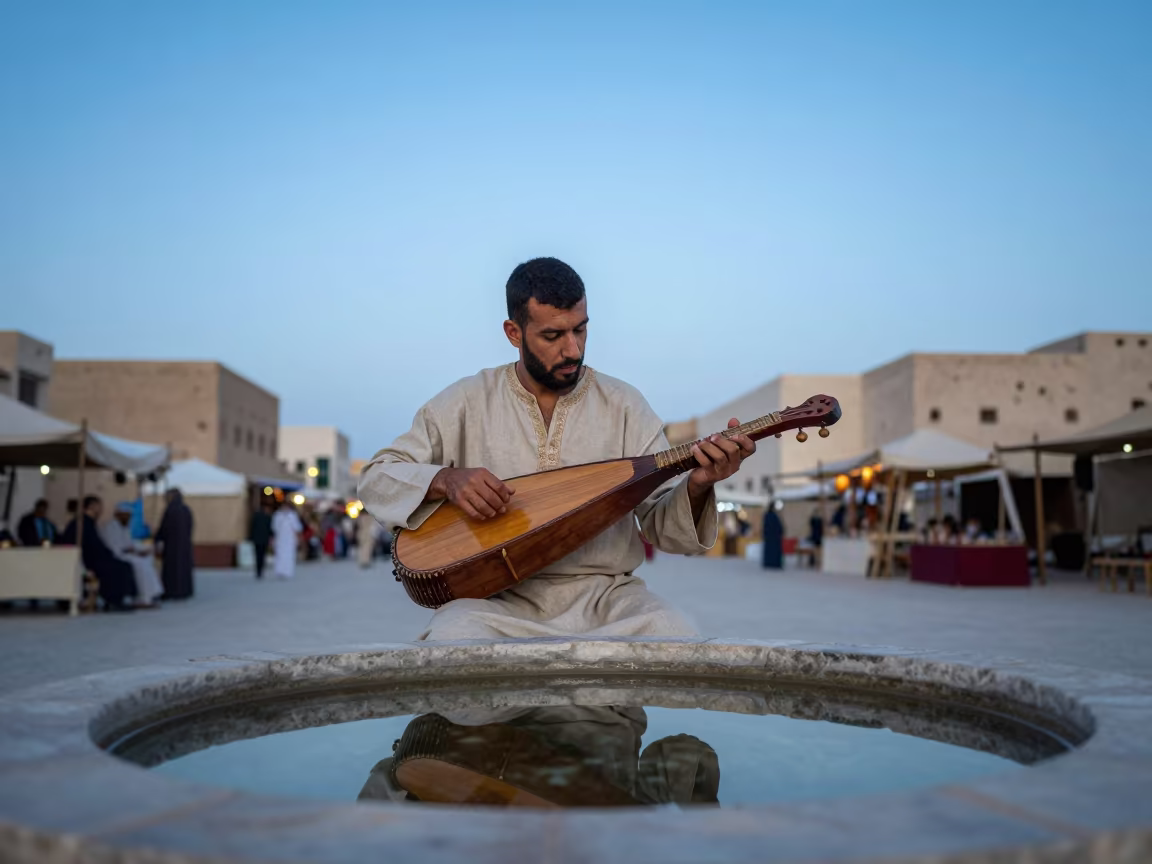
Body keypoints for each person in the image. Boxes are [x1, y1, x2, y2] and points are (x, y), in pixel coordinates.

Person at [359, 257, 752, 641]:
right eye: (553, 336)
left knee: (673, 632)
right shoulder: (465, 402)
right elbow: (377, 478)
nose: (573, 350)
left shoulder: (624, 404)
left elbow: (666, 530)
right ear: (514, 332)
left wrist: (699, 485)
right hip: (494, 600)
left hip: (606, 597)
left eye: (580, 330)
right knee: (453, 636)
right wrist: (445, 480)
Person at [60, 496, 136, 611]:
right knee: (118, 568)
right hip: (86, 560)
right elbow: (91, 545)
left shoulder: (88, 522)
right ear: (92, 506)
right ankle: (113, 601)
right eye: (99, 506)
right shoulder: (82, 523)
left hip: (92, 557)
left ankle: (115, 599)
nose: (101, 510)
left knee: (122, 565)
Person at [102, 501, 164, 607]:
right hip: (117, 556)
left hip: (128, 554)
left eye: (129, 516)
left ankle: (151, 595)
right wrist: (134, 551)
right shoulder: (111, 527)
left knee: (147, 561)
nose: (128, 518)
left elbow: (131, 543)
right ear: (119, 515)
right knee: (141, 564)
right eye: (126, 515)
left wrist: (143, 550)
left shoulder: (125, 527)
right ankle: (144, 597)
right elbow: (116, 548)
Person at [155, 488, 195, 600]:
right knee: (183, 569)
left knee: (171, 570)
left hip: (172, 546)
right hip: (184, 546)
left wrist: (157, 538)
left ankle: (172, 592)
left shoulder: (170, 510)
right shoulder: (186, 510)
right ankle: (184, 591)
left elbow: (164, 528)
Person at [272, 499, 304, 579]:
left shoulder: (292, 516)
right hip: (280, 538)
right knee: (280, 554)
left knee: (289, 555)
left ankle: (288, 571)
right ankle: (280, 570)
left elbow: (297, 528)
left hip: (290, 539)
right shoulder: (277, 515)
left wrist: (298, 538)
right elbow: (274, 527)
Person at [249, 501, 273, 579]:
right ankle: (260, 570)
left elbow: (252, 528)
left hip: (257, 539)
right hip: (263, 539)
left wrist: (251, 537)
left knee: (257, 555)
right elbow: (270, 529)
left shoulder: (256, 516)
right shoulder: (267, 517)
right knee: (262, 555)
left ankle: (258, 570)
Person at [761, 502, 784, 569]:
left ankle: (770, 563)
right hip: (774, 537)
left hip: (770, 537)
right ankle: (773, 563)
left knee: (771, 551)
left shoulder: (768, 515)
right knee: (773, 551)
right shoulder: (773, 516)